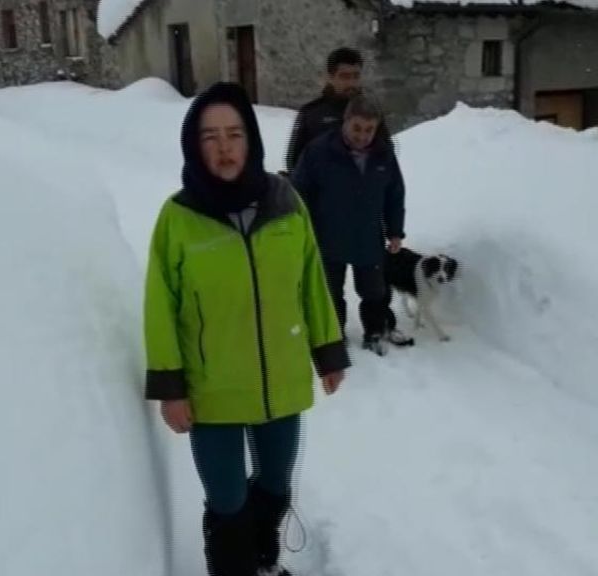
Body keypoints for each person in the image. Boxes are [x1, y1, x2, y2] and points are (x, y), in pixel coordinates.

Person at [143, 82, 350, 576]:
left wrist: (329, 350)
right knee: (228, 498)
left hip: (279, 380)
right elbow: (160, 307)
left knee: (276, 481)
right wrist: (171, 387)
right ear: (194, 146)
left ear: (251, 140)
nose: (224, 146)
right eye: (210, 136)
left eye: (234, 134)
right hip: (211, 389)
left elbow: (311, 282)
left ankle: (262, 560)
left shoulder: (285, 203)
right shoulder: (178, 218)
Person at [290, 93, 407, 356]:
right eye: (357, 127)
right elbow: (299, 193)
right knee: (331, 292)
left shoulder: (383, 155)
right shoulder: (319, 151)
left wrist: (395, 231)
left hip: (368, 236)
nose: (362, 135)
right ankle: (334, 334)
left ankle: (374, 332)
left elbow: (394, 194)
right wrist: (301, 230)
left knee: (374, 291)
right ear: (345, 121)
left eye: (369, 129)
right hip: (327, 235)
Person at [284, 47, 393, 174]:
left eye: (356, 76)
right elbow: (294, 162)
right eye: (345, 77)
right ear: (330, 77)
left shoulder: (371, 112)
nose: (351, 83)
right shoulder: (311, 114)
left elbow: (387, 156)